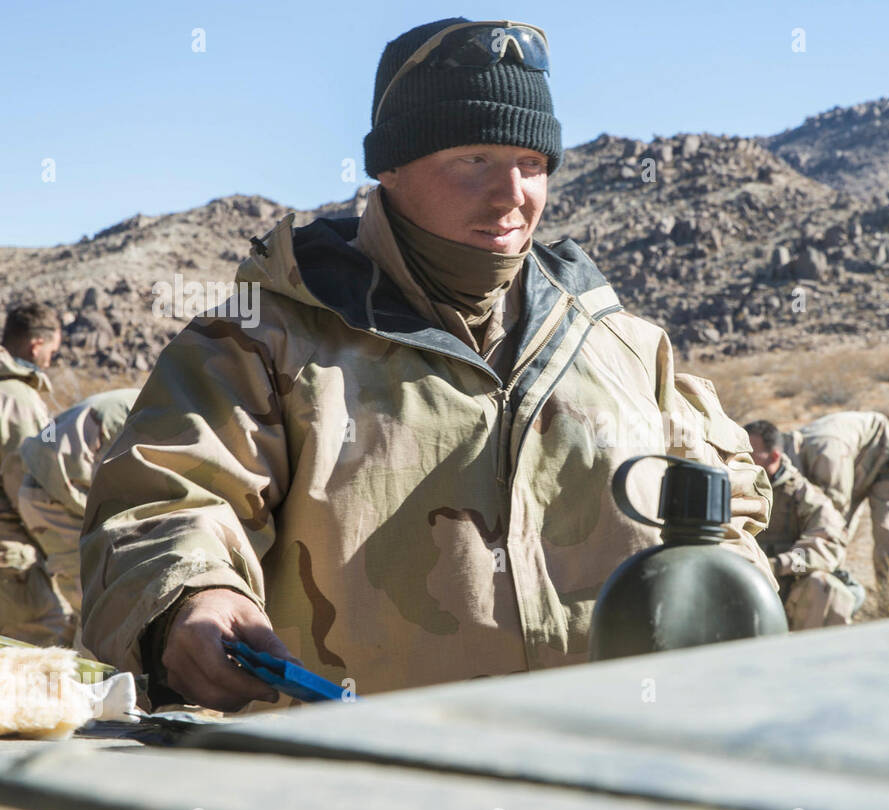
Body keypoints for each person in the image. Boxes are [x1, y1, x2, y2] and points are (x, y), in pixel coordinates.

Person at [80, 18, 775, 713]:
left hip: (608, 769)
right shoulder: (268, 339)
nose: (511, 194)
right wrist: (197, 593)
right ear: (391, 166)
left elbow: (727, 503)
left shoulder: (622, 342)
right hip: (367, 784)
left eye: (532, 163)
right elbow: (168, 498)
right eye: (473, 159)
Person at [17, 388, 139, 647]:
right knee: (97, 602)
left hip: (37, 487)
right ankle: (92, 679)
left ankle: (73, 667)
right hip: (59, 496)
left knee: (83, 597)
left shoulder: (143, 397)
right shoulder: (167, 411)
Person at [784, 411, 889, 587]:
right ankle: (825, 580)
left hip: (825, 457)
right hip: (832, 458)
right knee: (831, 523)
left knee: (884, 529)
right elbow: (832, 520)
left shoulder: (870, 439)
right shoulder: (839, 451)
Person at [0, 302, 69, 644]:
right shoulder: (17, 399)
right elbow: (28, 487)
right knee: (51, 653)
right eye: (52, 352)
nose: (51, 361)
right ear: (36, 345)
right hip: (13, 566)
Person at [745, 421, 859, 629]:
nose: (742, 462)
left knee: (823, 586)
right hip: (741, 582)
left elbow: (826, 545)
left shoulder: (803, 495)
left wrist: (778, 565)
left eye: (750, 456)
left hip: (789, 587)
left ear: (773, 457)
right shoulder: (732, 489)